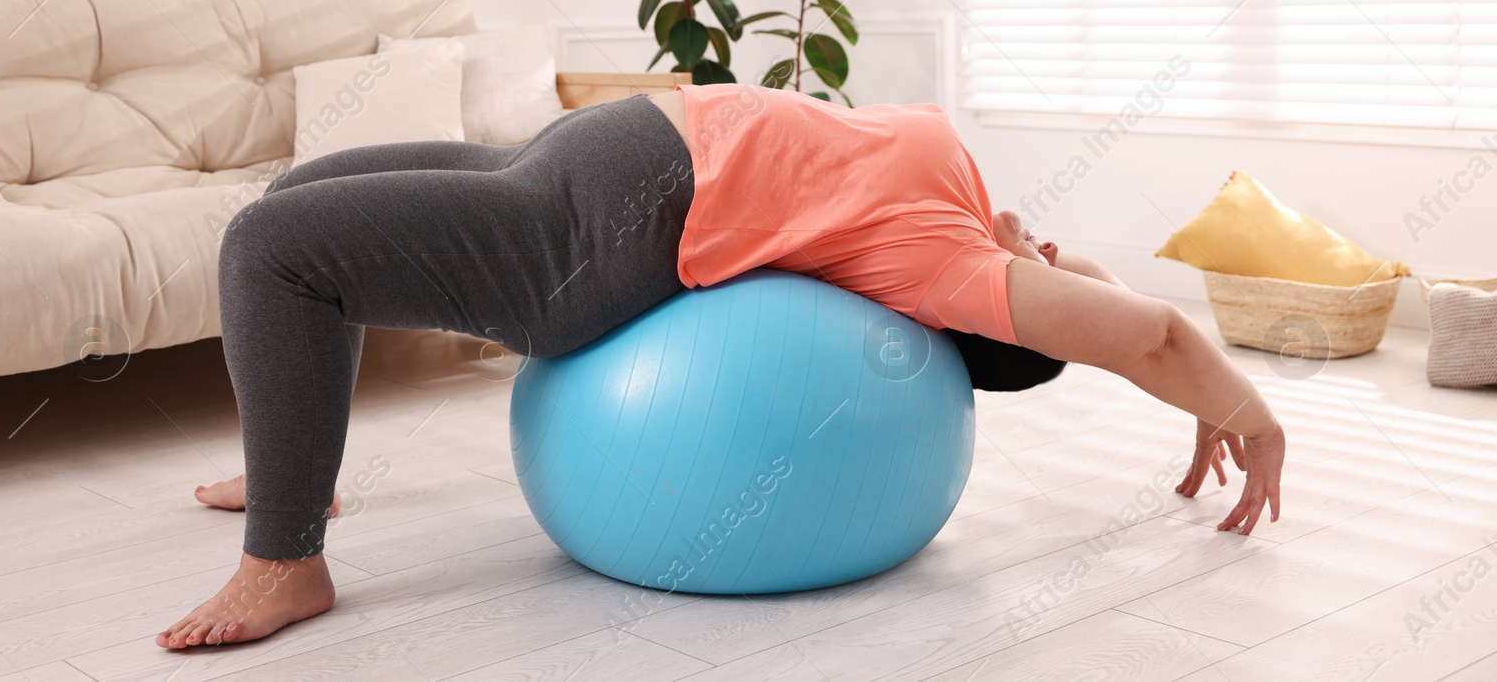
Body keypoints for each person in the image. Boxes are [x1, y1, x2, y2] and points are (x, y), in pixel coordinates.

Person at [157, 83, 1285, 648]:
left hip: (583, 235)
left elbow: (1138, 329)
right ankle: (292, 462)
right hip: (569, 156)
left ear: (1007, 312)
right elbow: (1102, 294)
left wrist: (1229, 400)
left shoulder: (941, 261)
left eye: (1048, 272)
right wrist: (1159, 364)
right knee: (293, 197)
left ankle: (286, 557)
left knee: (272, 251)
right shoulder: (957, 180)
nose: (1048, 246)